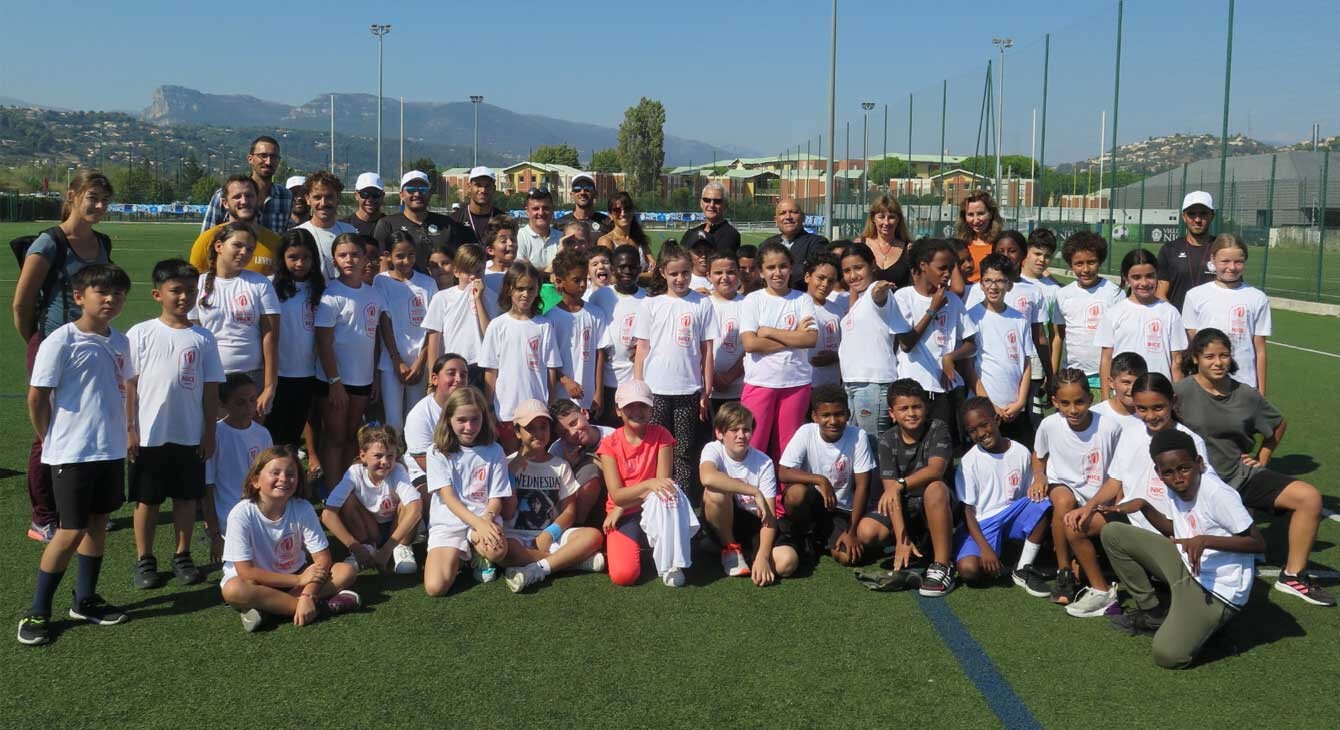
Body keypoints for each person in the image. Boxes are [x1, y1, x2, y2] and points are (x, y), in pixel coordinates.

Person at [18, 264, 134, 646]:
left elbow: (125, 389)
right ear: (79, 297)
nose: (110, 299)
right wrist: (50, 437)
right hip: (72, 452)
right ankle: (37, 610)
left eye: (117, 293)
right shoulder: (61, 341)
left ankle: (85, 599)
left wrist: (128, 432)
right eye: (100, 292)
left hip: (109, 449)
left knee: (98, 523)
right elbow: (37, 397)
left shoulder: (120, 341)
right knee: (70, 530)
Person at [1175, 329, 1333, 606]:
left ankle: (1293, 575)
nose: (1218, 362)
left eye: (1224, 355)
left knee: (1309, 498)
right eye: (1209, 356)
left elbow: (1278, 423)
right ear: (1196, 358)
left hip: (1238, 476)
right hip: (1194, 484)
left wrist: (1263, 457)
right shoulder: (1181, 392)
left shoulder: (1245, 394)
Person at [1100, 429, 1264, 669]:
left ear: (1199, 463)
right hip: (1189, 565)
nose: (1178, 477)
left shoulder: (1218, 494)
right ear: (1159, 472)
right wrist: (1144, 507)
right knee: (1113, 533)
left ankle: (1212, 627)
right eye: (1168, 472)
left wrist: (1205, 540)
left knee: (1167, 655)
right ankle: (1153, 613)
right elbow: (1175, 529)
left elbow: (1258, 543)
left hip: (1217, 591)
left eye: (1184, 468)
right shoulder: (1175, 484)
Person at [13, 169, 115, 544]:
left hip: (92, 348)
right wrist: (38, 345)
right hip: (54, 347)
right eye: (93, 198)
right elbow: (22, 304)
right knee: (50, 434)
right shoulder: (49, 243)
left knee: (87, 427)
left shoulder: (102, 242)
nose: (100, 206)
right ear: (72, 196)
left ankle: (81, 508)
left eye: (105, 200)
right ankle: (44, 516)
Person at [1063, 372, 1215, 617]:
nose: (1150, 415)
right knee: (1075, 526)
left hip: (1169, 526)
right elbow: (1115, 481)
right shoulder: (1132, 432)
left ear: (1173, 401)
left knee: (1186, 595)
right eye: (1142, 408)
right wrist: (1088, 507)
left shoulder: (1191, 441)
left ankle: (1165, 590)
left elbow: (1202, 495)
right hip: (1132, 520)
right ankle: (1102, 592)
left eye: (1158, 407)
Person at [125, 259, 225, 589]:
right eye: (176, 291)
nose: (184, 297)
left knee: (185, 499)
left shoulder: (204, 338)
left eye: (191, 290)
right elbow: (130, 386)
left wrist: (209, 432)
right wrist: (130, 429)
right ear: (157, 294)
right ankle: (144, 559)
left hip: (190, 433)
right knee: (148, 500)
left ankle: (182, 555)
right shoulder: (140, 333)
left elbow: (211, 391)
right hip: (150, 435)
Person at [219, 445, 360, 632]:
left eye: (291, 474)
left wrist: (307, 594)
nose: (284, 479)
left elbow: (323, 559)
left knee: (346, 571)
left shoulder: (303, 508)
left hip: (297, 576)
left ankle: (268, 610)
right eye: (275, 473)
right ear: (255, 480)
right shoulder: (241, 514)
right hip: (259, 583)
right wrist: (298, 581)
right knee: (233, 590)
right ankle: (321, 608)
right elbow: (246, 572)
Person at [1032, 369, 1124, 606]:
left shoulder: (1110, 428)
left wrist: (1116, 505)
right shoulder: (1049, 425)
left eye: (1079, 402)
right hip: (1062, 485)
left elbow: (1119, 473)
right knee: (1064, 501)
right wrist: (1039, 476)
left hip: (1098, 497)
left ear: (1090, 399)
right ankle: (1064, 572)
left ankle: (1083, 568)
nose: (1073, 410)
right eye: (1065, 403)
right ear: (1055, 402)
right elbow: (1039, 455)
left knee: (1080, 526)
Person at [597, 380, 700, 587]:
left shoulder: (662, 435)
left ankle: (672, 563)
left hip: (652, 507)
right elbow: (618, 495)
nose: (637, 411)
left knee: (670, 495)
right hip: (624, 513)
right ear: (618, 410)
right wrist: (638, 491)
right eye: (629, 406)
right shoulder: (609, 444)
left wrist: (625, 502)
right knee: (624, 576)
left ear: (652, 408)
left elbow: (662, 487)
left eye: (643, 405)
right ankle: (648, 546)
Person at [315, 234, 398, 482]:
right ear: (334, 260)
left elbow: (372, 340)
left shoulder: (374, 295)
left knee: (352, 436)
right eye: (342, 255)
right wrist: (335, 381)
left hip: (361, 380)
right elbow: (324, 343)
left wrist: (373, 376)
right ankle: (332, 493)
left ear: (365, 258)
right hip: (335, 381)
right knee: (334, 437)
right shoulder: (331, 295)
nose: (349, 260)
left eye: (355, 254)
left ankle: (347, 488)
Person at [499, 400, 607, 592]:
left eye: (543, 427)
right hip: (517, 537)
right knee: (503, 549)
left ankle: (538, 568)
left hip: (552, 537)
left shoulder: (559, 465)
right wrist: (511, 475)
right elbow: (506, 513)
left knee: (594, 536)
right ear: (517, 432)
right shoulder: (506, 464)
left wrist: (551, 533)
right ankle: (570, 561)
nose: (539, 434)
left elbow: (570, 511)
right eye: (530, 428)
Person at [634, 245, 717, 492]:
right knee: (655, 447)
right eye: (674, 274)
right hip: (655, 389)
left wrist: (706, 388)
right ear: (662, 273)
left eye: (685, 273)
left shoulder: (702, 303)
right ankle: (653, 498)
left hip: (687, 389)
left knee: (683, 449)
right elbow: (642, 349)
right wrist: (639, 388)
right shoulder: (651, 305)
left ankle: (682, 501)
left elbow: (707, 350)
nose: (680, 279)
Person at [777, 385, 885, 566]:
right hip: (814, 503)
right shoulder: (806, 432)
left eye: (839, 414)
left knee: (848, 557)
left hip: (842, 511)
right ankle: (804, 535)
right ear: (815, 417)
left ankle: (823, 539)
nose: (833, 421)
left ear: (848, 413)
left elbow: (862, 486)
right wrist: (820, 480)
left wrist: (851, 531)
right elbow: (783, 472)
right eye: (826, 415)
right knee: (796, 493)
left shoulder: (858, 435)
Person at [953, 397, 1051, 592]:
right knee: (969, 570)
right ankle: (1003, 553)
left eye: (984, 424)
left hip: (1011, 515)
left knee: (1043, 503)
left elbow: (1027, 495)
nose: (981, 433)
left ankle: (1023, 567)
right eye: (972, 430)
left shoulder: (1020, 452)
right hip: (982, 524)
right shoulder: (968, 462)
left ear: (996, 419)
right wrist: (985, 549)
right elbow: (968, 512)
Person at [423, 387, 513, 596]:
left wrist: (487, 519)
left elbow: (496, 497)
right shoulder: (437, 451)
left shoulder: (495, 450)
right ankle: (459, 559)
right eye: (461, 420)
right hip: (449, 522)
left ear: (484, 418)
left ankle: (477, 554)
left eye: (475, 419)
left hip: (484, 517)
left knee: (497, 551)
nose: (469, 427)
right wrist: (478, 523)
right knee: (435, 588)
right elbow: (449, 499)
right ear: (448, 419)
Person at [700, 402, 798, 585]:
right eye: (734, 430)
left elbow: (769, 517)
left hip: (755, 522)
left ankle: (727, 548)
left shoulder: (764, 462)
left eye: (746, 430)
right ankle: (729, 548)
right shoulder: (713, 449)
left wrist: (762, 556)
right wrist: (754, 491)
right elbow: (707, 477)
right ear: (719, 433)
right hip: (726, 515)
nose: (741, 436)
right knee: (714, 492)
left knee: (787, 563)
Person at [189, 222, 280, 418]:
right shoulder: (198, 284)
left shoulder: (260, 283)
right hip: (212, 377)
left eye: (249, 249)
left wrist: (269, 386)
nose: (244, 252)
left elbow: (270, 336)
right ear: (219, 246)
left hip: (251, 376)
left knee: (250, 440)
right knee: (215, 440)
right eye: (237, 245)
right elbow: (194, 337)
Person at [876, 379, 958, 596]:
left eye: (916, 406)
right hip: (905, 507)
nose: (911, 413)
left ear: (926, 407)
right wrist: (902, 540)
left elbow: (935, 470)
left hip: (937, 503)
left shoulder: (937, 428)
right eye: (903, 408)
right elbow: (890, 494)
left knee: (935, 488)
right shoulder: (886, 439)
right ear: (892, 413)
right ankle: (909, 547)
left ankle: (943, 565)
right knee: (867, 533)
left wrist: (899, 484)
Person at [739, 242, 819, 461]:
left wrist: (768, 332)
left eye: (783, 266)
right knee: (753, 444)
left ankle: (783, 496)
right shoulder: (752, 300)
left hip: (796, 384)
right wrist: (794, 336)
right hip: (760, 382)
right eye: (771, 267)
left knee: (788, 451)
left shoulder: (802, 299)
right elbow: (750, 344)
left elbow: (810, 339)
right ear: (761, 272)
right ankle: (752, 494)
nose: (777, 273)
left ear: (791, 268)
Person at [894, 238, 976, 447]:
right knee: (914, 447)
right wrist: (933, 309)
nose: (947, 273)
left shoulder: (954, 301)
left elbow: (971, 343)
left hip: (946, 390)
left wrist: (951, 356)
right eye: (942, 268)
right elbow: (906, 343)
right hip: (914, 388)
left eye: (950, 268)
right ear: (923, 265)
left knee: (944, 450)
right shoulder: (904, 297)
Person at [479, 261, 562, 452]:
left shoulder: (544, 326)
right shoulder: (497, 325)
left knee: (534, 463)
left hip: (536, 409)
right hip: (506, 410)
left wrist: (549, 403)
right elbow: (491, 372)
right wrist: (489, 408)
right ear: (509, 289)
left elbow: (551, 368)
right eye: (520, 288)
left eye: (531, 289)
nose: (525, 294)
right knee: (512, 462)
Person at [322, 424, 422, 576]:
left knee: (408, 504)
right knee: (347, 501)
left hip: (395, 527)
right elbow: (327, 515)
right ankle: (366, 546)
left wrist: (387, 549)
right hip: (369, 527)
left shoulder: (398, 470)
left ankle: (401, 547)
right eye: (378, 455)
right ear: (363, 456)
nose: (385, 462)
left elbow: (416, 510)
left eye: (390, 456)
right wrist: (355, 546)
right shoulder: (354, 473)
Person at [838, 243, 911, 444]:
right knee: (859, 448)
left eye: (858, 268)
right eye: (846, 271)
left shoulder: (874, 293)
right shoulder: (859, 301)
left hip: (873, 384)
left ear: (872, 265)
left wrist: (880, 288)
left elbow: (877, 295)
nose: (853, 275)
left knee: (873, 447)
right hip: (854, 383)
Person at [1182, 234, 1271, 393]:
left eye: (1238, 262)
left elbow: (1260, 350)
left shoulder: (1257, 298)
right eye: (1225, 261)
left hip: (1244, 383)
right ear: (1213, 259)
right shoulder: (1195, 295)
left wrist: (1261, 393)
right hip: (1204, 385)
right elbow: (1192, 346)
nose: (1232, 267)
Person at [203, 373, 273, 565]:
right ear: (223, 405)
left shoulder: (262, 434)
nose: (249, 407)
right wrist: (215, 534)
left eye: (252, 400)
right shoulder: (215, 435)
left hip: (262, 510)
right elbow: (207, 487)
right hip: (230, 516)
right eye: (240, 403)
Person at [967, 254, 1035, 447]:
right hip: (984, 407)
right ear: (980, 284)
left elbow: (1026, 363)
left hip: (1014, 407)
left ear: (1009, 285)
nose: (993, 287)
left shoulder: (1019, 319)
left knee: (1019, 453)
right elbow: (969, 368)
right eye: (988, 281)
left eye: (999, 281)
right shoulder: (972, 317)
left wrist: (1021, 401)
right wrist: (989, 404)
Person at [267, 228, 324, 450]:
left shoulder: (319, 288)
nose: (300, 264)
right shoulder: (269, 285)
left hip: (306, 374)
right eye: (293, 257)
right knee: (271, 435)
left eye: (306, 257)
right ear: (282, 257)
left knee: (292, 435)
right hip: (276, 374)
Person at [374, 232, 436, 432]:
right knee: (394, 421)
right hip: (392, 362)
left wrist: (421, 361)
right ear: (388, 256)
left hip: (420, 360)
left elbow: (433, 326)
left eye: (410, 255)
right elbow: (384, 321)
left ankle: (413, 460)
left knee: (415, 418)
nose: (406, 261)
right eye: (400, 256)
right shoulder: (381, 281)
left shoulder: (427, 283)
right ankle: (393, 459)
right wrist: (396, 359)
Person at [1096, 248, 1187, 384]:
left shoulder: (1170, 312)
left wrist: (1178, 399)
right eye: (1136, 277)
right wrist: (1105, 398)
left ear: (1157, 276)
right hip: (1124, 393)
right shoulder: (1113, 313)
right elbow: (1106, 359)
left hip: (1159, 393)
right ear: (1126, 278)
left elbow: (1177, 362)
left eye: (1150, 276)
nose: (1144, 283)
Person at [1055, 231, 1125, 390]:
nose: (1085, 269)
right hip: (1071, 375)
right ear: (1070, 264)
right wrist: (1053, 372)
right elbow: (1059, 335)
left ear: (1100, 261)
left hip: (1106, 376)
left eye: (1091, 262)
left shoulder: (1114, 293)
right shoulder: (1063, 294)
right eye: (1079, 264)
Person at [423, 243, 496, 389]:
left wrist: (478, 299)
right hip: (453, 365)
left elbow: (491, 334)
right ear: (456, 272)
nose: (473, 276)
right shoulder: (442, 298)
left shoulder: (492, 297)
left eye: (478, 271)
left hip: (482, 365)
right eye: (467, 272)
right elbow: (434, 341)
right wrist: (432, 380)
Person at [373, 171, 476, 274]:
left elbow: (460, 261)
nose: (417, 194)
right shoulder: (387, 224)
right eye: (411, 190)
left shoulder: (447, 224)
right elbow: (383, 263)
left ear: (429, 194)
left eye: (423, 189)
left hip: (441, 287)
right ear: (401, 195)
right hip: (403, 287)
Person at [588, 244, 647, 424]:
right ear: (613, 269)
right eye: (622, 267)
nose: (627, 271)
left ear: (640, 268)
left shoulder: (648, 299)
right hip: (606, 381)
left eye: (632, 266)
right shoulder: (600, 297)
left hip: (634, 381)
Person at [546, 249, 609, 416]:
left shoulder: (596, 314)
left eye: (584, 279)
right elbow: (549, 360)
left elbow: (599, 354)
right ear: (560, 281)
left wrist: (598, 393)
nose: (582, 284)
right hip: (561, 396)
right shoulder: (550, 318)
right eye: (576, 280)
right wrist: (565, 380)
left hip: (588, 397)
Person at [188, 174, 281, 276]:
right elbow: (194, 283)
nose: (244, 201)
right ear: (225, 203)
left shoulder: (275, 242)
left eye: (249, 196)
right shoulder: (208, 239)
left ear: (258, 200)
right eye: (237, 197)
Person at [200, 136, 293, 234]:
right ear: (250, 159)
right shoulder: (224, 195)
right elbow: (207, 238)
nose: (268, 161)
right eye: (263, 155)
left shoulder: (286, 197)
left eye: (273, 157)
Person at [403, 353, 470, 489]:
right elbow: (425, 463)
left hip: (468, 469)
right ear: (435, 379)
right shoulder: (419, 415)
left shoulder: (474, 409)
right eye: (451, 373)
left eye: (463, 375)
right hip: (425, 473)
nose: (458, 379)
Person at [548, 398, 616, 527]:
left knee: (592, 468)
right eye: (564, 433)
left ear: (585, 413)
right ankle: (575, 527)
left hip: (613, 499)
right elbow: (551, 489)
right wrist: (568, 466)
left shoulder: (612, 436)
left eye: (574, 423)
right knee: (590, 471)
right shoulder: (558, 449)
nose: (573, 433)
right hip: (574, 507)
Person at [1156, 191, 1218, 310]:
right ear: (1184, 217)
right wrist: (1175, 320)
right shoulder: (1170, 249)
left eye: (1203, 214)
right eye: (1192, 214)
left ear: (1212, 215)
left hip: (1213, 323)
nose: (1197, 219)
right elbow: (1160, 294)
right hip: (1179, 324)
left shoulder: (1222, 248)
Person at [296, 171, 357, 280]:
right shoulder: (297, 234)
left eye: (329, 197)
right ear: (308, 199)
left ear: (338, 198)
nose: (323, 203)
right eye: (317, 197)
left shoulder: (350, 232)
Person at [707, 251, 746, 414]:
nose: (724, 277)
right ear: (708, 276)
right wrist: (713, 377)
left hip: (739, 389)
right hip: (706, 389)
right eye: (718, 272)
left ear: (738, 274)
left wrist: (730, 376)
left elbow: (752, 348)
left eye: (730, 272)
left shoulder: (749, 304)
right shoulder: (702, 304)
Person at [760, 197, 829, 290]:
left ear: (803, 217)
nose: (788, 217)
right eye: (782, 213)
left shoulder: (817, 243)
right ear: (776, 220)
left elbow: (814, 274)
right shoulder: (766, 245)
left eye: (793, 212)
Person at [851, 194, 913, 288]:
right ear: (873, 219)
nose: (886, 222)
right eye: (881, 217)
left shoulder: (908, 248)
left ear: (898, 220)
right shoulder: (860, 244)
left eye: (891, 217)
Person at [804, 252, 844, 388]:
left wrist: (835, 356)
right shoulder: (795, 306)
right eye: (820, 278)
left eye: (831, 281)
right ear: (807, 277)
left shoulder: (837, 311)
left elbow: (849, 347)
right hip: (802, 385)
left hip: (831, 385)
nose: (825, 284)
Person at [595, 192, 655, 273]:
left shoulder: (640, 240)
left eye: (627, 208)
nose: (623, 213)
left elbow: (654, 272)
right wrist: (641, 276)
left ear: (633, 211)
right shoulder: (606, 241)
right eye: (617, 210)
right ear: (610, 215)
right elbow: (608, 277)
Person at [1091, 351, 1147, 429]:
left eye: (1138, 382)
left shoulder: (1150, 417)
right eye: (1126, 382)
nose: (1132, 388)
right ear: (1111, 382)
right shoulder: (1095, 415)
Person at [682, 182, 741, 255]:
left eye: (717, 201)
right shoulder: (690, 233)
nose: (711, 205)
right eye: (707, 200)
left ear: (725, 205)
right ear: (701, 203)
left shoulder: (731, 235)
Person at [449, 166, 507, 240]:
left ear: (494, 189)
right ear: (469, 187)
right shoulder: (454, 220)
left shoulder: (504, 221)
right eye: (478, 185)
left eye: (487, 186)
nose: (483, 190)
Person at [956, 191, 1001, 283]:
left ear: (991, 213)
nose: (976, 220)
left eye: (980, 214)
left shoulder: (1002, 244)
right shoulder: (959, 244)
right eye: (970, 215)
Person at [513, 188, 562, 271]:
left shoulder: (561, 237)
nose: (541, 213)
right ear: (527, 211)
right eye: (535, 209)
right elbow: (521, 273)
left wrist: (533, 270)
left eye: (545, 208)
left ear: (552, 210)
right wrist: (551, 269)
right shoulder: (519, 236)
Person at [558, 172, 613, 237]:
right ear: (571, 195)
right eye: (577, 189)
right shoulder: (560, 224)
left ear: (595, 194)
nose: (582, 192)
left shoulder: (607, 223)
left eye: (588, 189)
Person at [343, 172, 386, 237]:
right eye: (365, 194)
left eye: (375, 194)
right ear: (356, 195)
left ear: (382, 196)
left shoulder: (389, 226)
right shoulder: (344, 226)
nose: (370, 199)